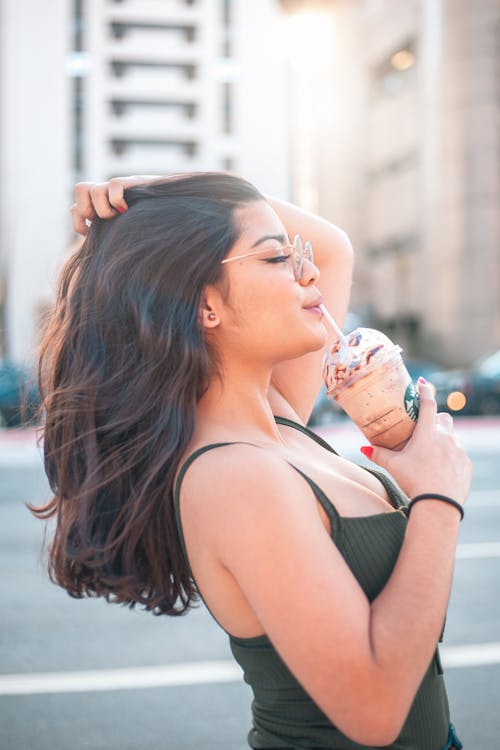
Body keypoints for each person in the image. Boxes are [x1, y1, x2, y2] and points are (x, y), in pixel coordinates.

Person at [32, 172, 471, 750]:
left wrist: (158, 192)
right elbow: (375, 710)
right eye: (276, 258)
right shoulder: (234, 474)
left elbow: (334, 248)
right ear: (204, 303)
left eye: (295, 255)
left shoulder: (276, 415)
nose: (307, 271)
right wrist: (438, 499)